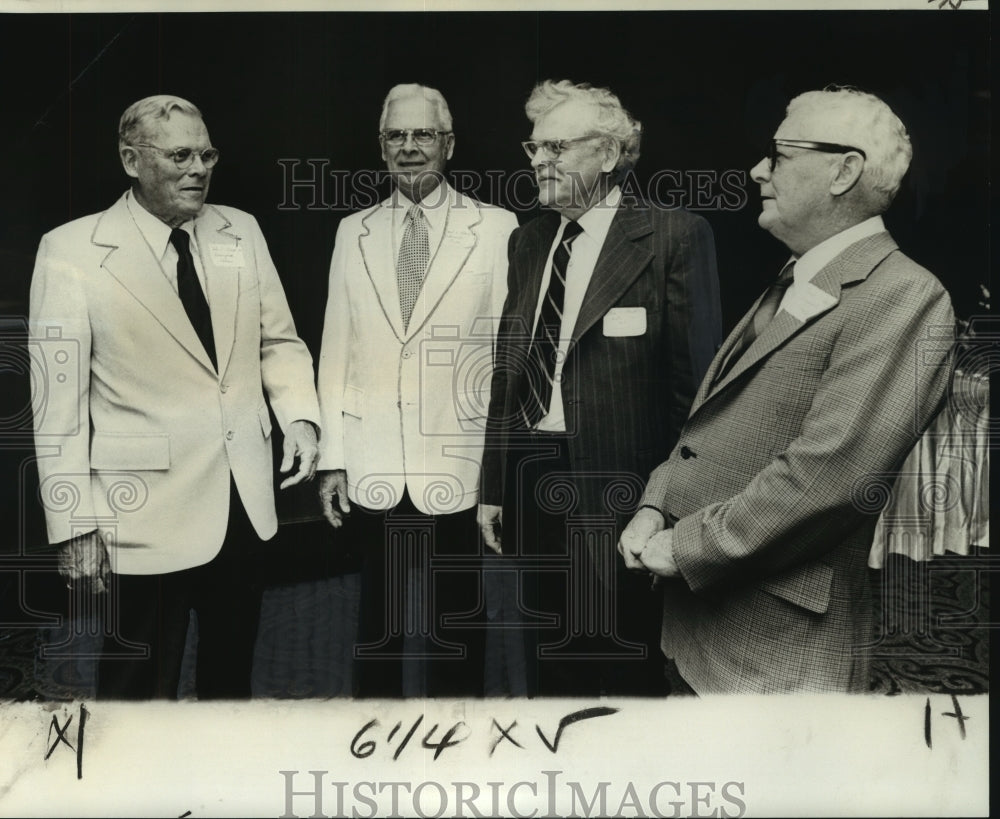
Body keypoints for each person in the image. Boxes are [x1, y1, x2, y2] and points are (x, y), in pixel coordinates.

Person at [619, 86, 956, 694]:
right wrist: (654, 501)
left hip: (774, 657)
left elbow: (830, 477)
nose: (757, 170)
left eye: (779, 154)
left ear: (844, 170)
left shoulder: (905, 295)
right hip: (700, 634)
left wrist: (686, 545)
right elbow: (712, 423)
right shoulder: (801, 273)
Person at [29, 95, 322, 700]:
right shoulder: (71, 252)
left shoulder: (240, 229)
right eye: (180, 155)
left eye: (206, 153)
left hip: (243, 505)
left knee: (229, 683)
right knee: (137, 689)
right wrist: (74, 524)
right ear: (130, 160)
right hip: (141, 512)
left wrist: (299, 418)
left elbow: (279, 342)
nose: (199, 169)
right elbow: (56, 409)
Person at [478, 79, 722, 697]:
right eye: (533, 147)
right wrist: (495, 484)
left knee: (618, 657)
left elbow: (695, 396)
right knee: (542, 646)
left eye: (556, 147)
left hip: (621, 489)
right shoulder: (528, 240)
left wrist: (671, 504)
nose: (538, 160)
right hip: (533, 476)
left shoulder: (673, 236)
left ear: (609, 155)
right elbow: (510, 369)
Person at [316, 83, 517, 697]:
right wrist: (333, 461)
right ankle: (373, 743)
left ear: (448, 145)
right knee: (376, 618)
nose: (409, 148)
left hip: (459, 460)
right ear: (381, 149)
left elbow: (509, 361)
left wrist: (501, 470)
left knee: (458, 615)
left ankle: (459, 746)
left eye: (422, 134)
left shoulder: (497, 227)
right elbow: (336, 349)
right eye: (396, 137)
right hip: (373, 456)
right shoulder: (355, 231)